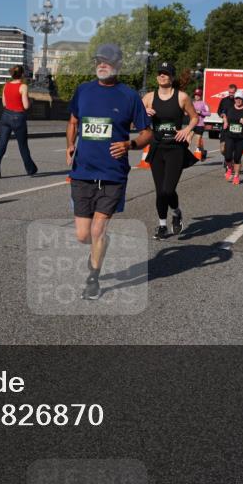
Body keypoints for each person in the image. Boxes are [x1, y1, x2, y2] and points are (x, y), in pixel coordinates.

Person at [66, 43, 152, 300]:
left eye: (108, 61)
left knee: (97, 230)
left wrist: (130, 144)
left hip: (113, 174)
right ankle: (97, 247)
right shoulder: (83, 91)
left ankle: (94, 277)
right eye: (99, 61)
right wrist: (70, 144)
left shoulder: (129, 96)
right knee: (82, 235)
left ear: (118, 66)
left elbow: (147, 132)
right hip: (82, 172)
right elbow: (73, 121)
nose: (102, 65)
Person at [143, 63, 199, 240]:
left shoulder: (181, 97)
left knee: (168, 190)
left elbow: (195, 118)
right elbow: (134, 121)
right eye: (160, 73)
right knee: (160, 191)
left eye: (166, 73)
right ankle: (161, 225)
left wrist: (186, 130)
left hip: (175, 148)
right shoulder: (149, 97)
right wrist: (144, 113)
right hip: (157, 148)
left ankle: (176, 212)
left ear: (172, 77)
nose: (162, 75)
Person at [0, 65, 38, 179]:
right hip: (18, 117)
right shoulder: (23, 86)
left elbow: (4, 103)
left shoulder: (6, 85)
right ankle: (30, 170)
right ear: (22, 74)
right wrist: (30, 101)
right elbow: (26, 106)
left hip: (5, 116)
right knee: (23, 146)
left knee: (1, 144)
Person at [223, 93, 243, 185]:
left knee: (237, 158)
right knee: (228, 156)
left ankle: (236, 176)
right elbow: (224, 114)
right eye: (237, 98)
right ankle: (229, 168)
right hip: (230, 135)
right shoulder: (230, 107)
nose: (238, 100)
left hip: (241, 137)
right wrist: (225, 121)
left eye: (240, 98)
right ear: (234, 99)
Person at [218, 83, 239, 171]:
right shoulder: (224, 100)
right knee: (223, 149)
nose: (231, 94)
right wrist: (222, 115)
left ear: (235, 92)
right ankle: (227, 158)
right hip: (225, 126)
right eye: (230, 92)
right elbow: (219, 111)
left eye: (233, 92)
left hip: (235, 127)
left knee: (232, 147)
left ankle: (229, 163)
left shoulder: (238, 101)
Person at [191, 88, 210, 160]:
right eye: (195, 95)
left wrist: (201, 112)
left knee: (197, 142)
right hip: (192, 124)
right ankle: (201, 152)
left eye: (198, 95)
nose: (196, 96)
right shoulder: (192, 103)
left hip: (200, 125)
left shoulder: (203, 104)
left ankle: (202, 152)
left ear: (201, 96)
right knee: (188, 139)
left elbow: (209, 113)